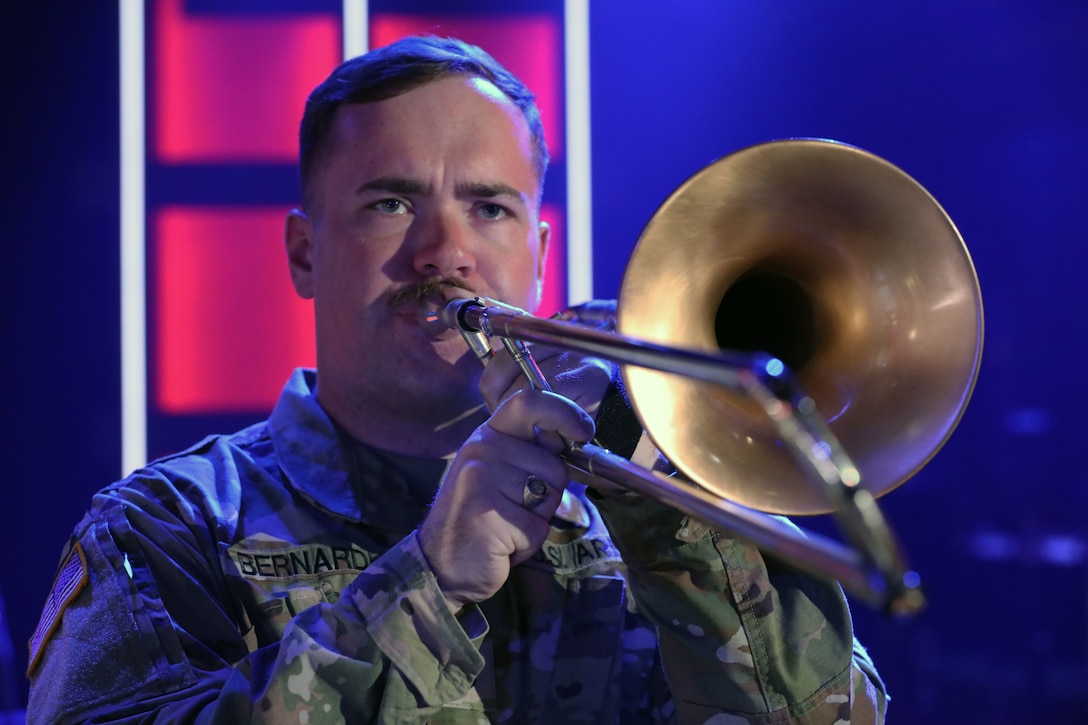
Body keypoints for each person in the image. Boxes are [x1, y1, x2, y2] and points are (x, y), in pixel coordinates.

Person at [26, 36, 887, 723]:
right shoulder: (163, 529)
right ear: (303, 252)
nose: (444, 253)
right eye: (390, 203)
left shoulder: (655, 494)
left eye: (489, 207)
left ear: (540, 257)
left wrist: (673, 510)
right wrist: (428, 583)